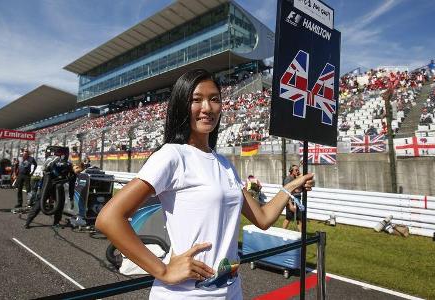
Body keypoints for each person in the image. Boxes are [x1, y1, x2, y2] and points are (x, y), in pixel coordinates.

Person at [95, 69, 314, 299]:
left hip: (231, 291)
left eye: (215, 99)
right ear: (181, 105)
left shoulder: (224, 163)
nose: (207, 108)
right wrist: (164, 270)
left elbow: (263, 218)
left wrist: (290, 187)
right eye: (196, 100)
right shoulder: (172, 155)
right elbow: (109, 218)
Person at [282, 165, 302, 231]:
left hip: (297, 200)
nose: (297, 171)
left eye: (298, 170)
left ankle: (301, 235)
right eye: (296, 170)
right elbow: (286, 192)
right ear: (291, 171)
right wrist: (290, 205)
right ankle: (282, 233)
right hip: (291, 201)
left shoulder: (296, 178)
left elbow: (299, 189)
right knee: (288, 218)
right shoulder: (288, 179)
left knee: (299, 218)